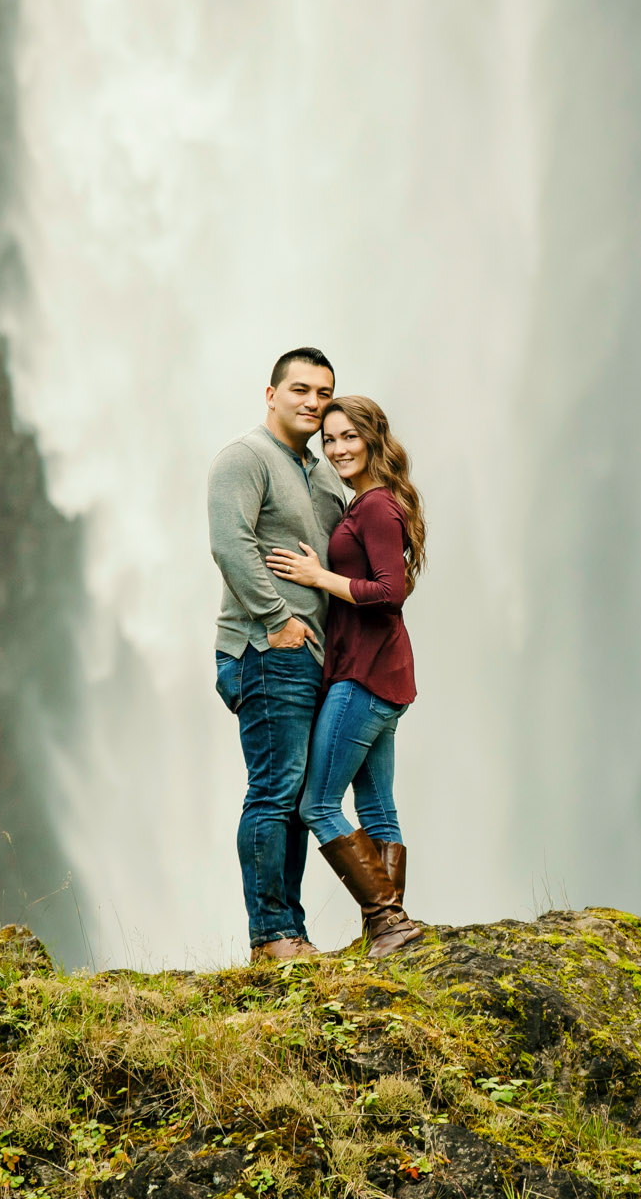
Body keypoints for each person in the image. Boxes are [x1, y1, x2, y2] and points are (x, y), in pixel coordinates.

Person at [265, 395, 425, 957]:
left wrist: (316, 575)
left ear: (373, 437)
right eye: (329, 440)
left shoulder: (377, 506)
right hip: (383, 675)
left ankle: (389, 922)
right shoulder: (368, 502)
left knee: (317, 805)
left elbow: (389, 593)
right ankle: (390, 935)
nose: (337, 449)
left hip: (364, 676)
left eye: (348, 437)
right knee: (377, 804)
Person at [207, 347, 352, 961]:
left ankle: (289, 930)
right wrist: (278, 621)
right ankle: (273, 935)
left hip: (311, 655)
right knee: (274, 789)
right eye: (300, 390)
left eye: (322, 393)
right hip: (265, 648)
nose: (312, 403)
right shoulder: (245, 457)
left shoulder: (320, 473)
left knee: (296, 795)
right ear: (271, 394)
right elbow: (229, 541)